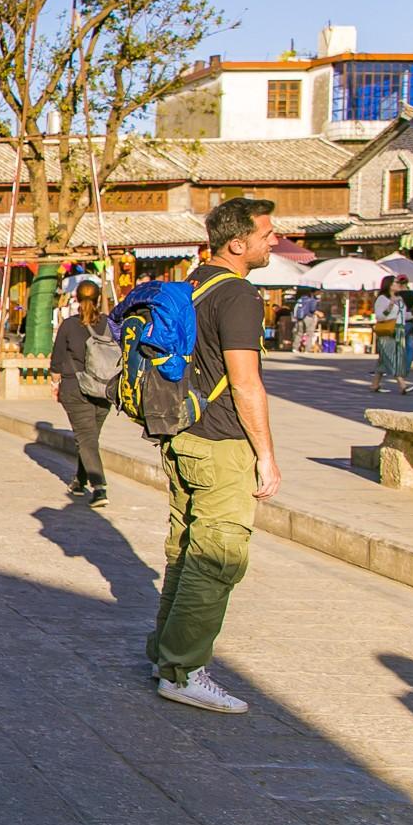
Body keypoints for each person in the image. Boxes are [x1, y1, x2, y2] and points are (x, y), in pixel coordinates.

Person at [148, 198, 281, 715]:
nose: (275, 242)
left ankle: (166, 656)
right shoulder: (239, 295)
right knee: (217, 557)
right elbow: (245, 383)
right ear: (238, 243)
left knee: (184, 552)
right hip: (222, 442)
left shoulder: (191, 285)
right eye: (267, 235)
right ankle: (184, 671)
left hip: (183, 436)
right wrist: (266, 455)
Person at [49, 281, 112, 507]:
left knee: (86, 439)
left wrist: (55, 384)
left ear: (75, 297)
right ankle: (79, 480)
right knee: (90, 437)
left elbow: (56, 360)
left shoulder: (69, 325)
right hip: (105, 389)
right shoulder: (110, 325)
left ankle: (99, 488)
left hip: (76, 388)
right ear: (97, 298)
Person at [368, 276, 413, 395]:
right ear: (389, 284)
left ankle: (375, 384)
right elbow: (380, 316)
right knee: (392, 357)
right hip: (388, 330)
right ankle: (402, 384)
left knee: (386, 358)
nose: (398, 284)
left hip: (399, 329)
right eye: (395, 282)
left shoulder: (400, 298)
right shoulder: (382, 299)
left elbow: (403, 315)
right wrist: (389, 306)